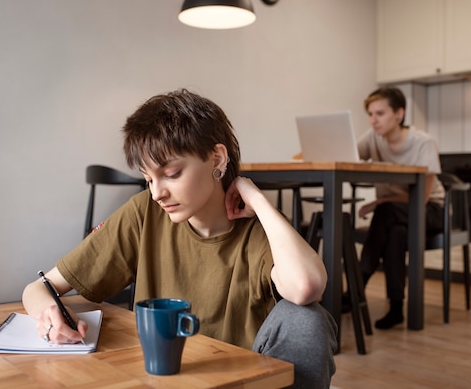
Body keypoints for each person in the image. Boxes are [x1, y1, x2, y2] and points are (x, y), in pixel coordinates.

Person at [22, 89, 337, 388]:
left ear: (216, 159)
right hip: (159, 379)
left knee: (306, 319)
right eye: (148, 179)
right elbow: (38, 289)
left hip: (236, 383)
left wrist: (256, 197)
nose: (157, 192)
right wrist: (48, 314)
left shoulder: (259, 231)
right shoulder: (144, 213)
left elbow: (306, 287)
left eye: (171, 174)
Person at [356, 86, 445, 330]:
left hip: (431, 211)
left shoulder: (422, 142)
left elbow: (423, 198)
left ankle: (357, 284)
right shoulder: (373, 138)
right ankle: (396, 308)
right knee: (396, 234)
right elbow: (348, 153)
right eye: (371, 114)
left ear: (399, 113)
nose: (373, 120)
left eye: (380, 113)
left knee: (386, 213)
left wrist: (379, 202)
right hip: (396, 217)